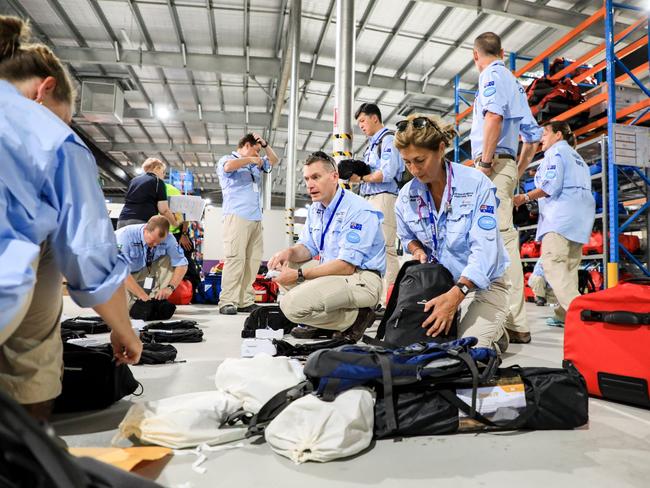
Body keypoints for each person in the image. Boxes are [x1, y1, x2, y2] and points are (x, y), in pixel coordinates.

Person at [0, 15, 142, 420]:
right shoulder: (50, 134)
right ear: (44, 90)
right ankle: (29, 436)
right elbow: (88, 256)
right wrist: (124, 329)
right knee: (48, 246)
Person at [393, 114, 510, 351]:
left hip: (480, 287)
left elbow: (485, 251)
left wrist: (457, 294)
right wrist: (417, 250)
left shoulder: (477, 184)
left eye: (420, 160)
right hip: (441, 285)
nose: (414, 170)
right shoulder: (406, 197)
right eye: (407, 162)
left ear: (441, 149)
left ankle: (489, 330)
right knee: (413, 348)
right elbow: (407, 238)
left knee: (464, 351)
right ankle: (482, 327)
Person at [470, 31, 543, 344]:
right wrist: (517, 169)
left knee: (500, 237)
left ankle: (514, 321)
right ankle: (514, 319)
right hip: (505, 165)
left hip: (494, 164)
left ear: (476, 56)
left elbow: (494, 118)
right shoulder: (514, 82)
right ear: (502, 51)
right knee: (502, 236)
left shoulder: (492, 75)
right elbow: (534, 137)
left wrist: (487, 164)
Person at [268, 151, 386, 341]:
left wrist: (299, 275)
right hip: (336, 273)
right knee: (286, 267)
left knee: (290, 306)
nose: (309, 185)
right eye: (307, 179)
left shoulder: (358, 210)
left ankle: (357, 317)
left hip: (360, 278)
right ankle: (322, 324)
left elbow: (347, 266)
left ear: (334, 177)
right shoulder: (317, 208)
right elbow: (308, 247)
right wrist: (288, 253)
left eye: (316, 177)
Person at [514, 121, 595, 327]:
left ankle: (580, 313)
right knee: (568, 268)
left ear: (558, 135)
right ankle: (562, 315)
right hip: (580, 218)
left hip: (560, 218)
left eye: (545, 133)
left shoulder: (556, 153)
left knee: (552, 264)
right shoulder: (577, 158)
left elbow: (550, 185)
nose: (541, 137)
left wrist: (524, 197)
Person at [216, 132, 279, 315]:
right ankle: (227, 301)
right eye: (256, 150)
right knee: (235, 259)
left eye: (259, 152)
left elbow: (274, 160)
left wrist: (265, 145)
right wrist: (251, 159)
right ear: (245, 146)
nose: (259, 155)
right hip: (236, 217)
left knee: (252, 261)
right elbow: (229, 167)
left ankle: (245, 300)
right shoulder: (228, 159)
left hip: (255, 219)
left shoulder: (255, 164)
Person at [352, 103, 405, 305]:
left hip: (384, 198)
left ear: (375, 118)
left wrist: (362, 179)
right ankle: (376, 298)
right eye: (359, 123)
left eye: (363, 121)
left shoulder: (388, 139)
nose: (361, 126)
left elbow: (387, 173)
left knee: (386, 249)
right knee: (371, 250)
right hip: (370, 200)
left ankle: (389, 301)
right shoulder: (372, 144)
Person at [115, 216, 189, 308]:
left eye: (159, 242)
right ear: (145, 229)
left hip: (143, 269)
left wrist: (170, 287)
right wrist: (142, 295)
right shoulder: (124, 236)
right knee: (127, 309)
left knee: (170, 258)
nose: (155, 245)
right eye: (153, 241)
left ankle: (156, 300)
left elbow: (182, 263)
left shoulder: (169, 238)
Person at [117, 158, 179, 229]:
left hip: (122, 220)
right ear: (157, 168)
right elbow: (163, 210)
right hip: (141, 220)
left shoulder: (133, 180)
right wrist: (174, 223)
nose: (163, 175)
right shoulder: (158, 181)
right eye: (162, 171)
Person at [165, 182, 200, 290]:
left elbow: (185, 212)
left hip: (178, 234)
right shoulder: (151, 191)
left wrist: (184, 234)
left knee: (186, 262)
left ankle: (194, 290)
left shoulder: (170, 189)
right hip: (163, 234)